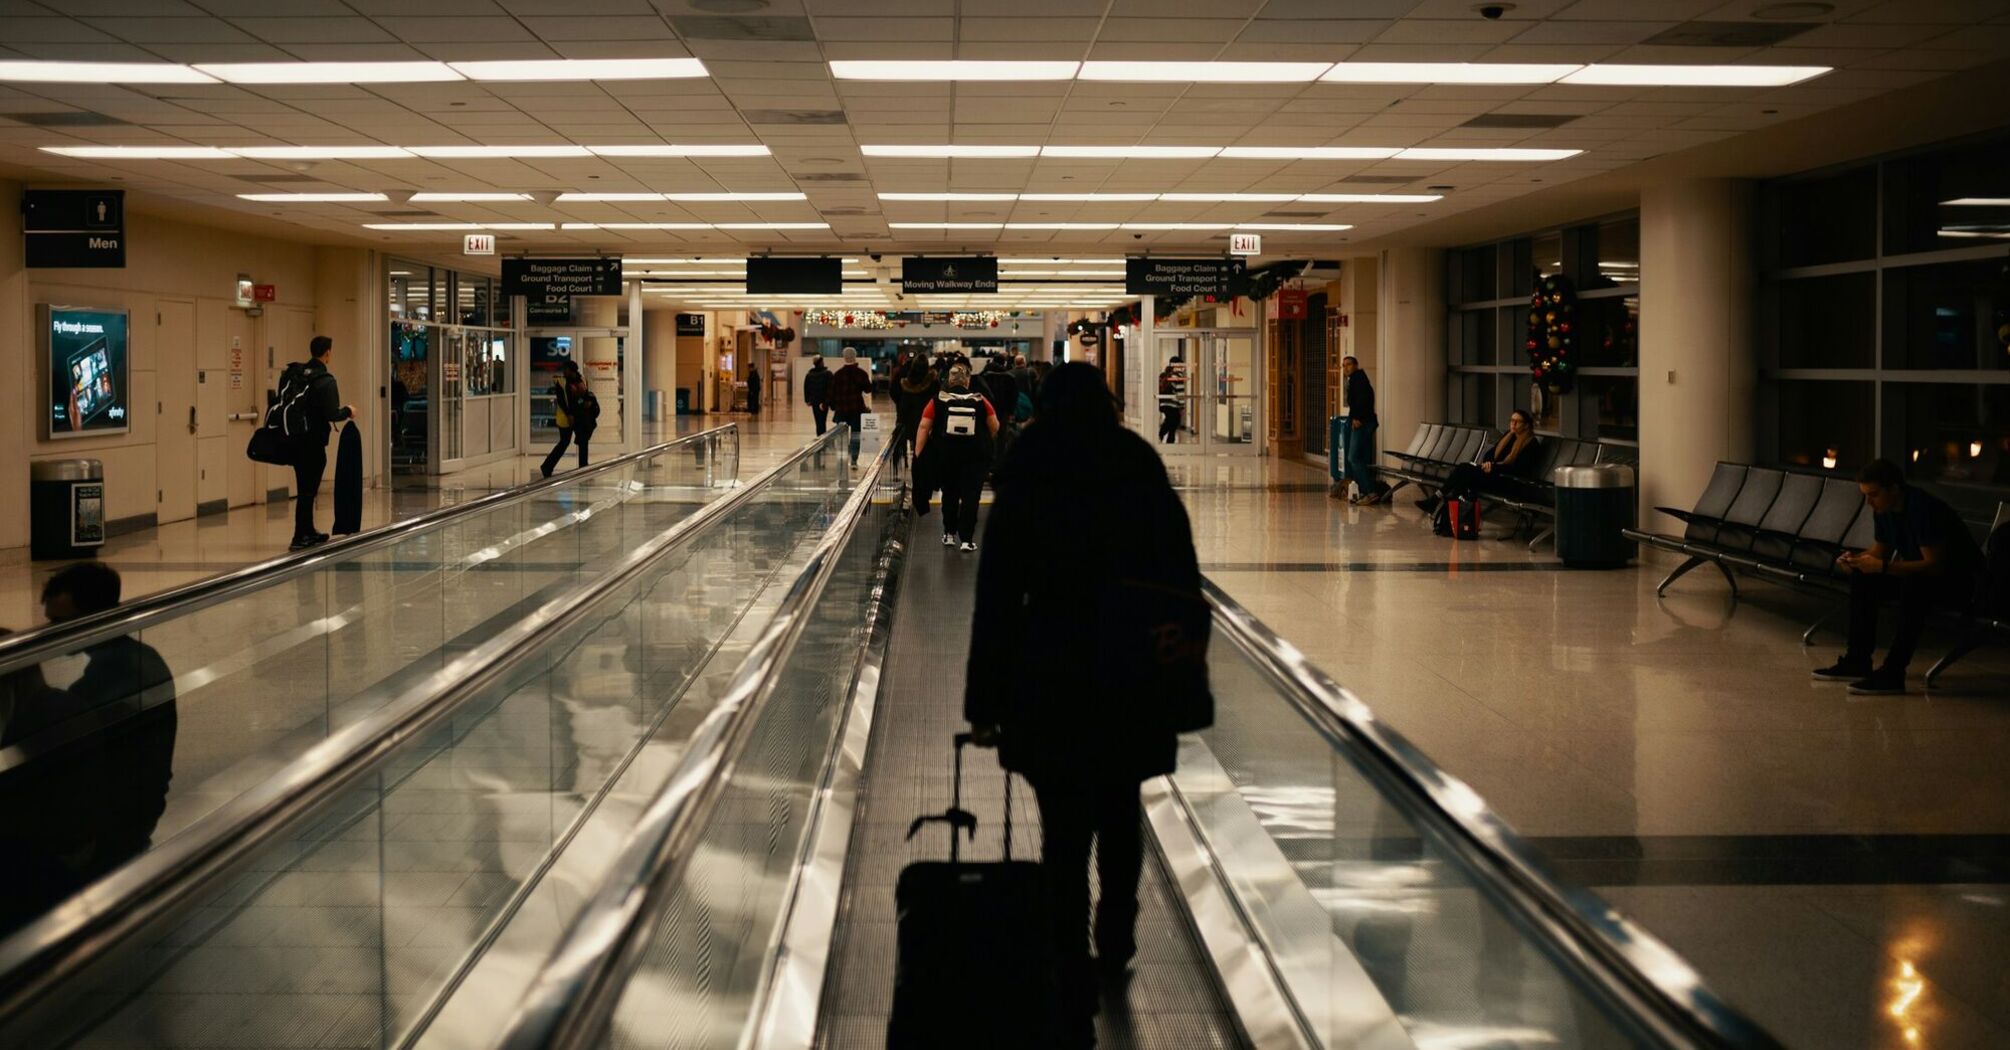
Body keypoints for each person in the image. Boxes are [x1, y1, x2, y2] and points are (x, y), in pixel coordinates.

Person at [966, 363, 1204, 1043]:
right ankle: (1117, 936)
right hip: (1131, 668)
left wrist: (985, 699)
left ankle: (1068, 962)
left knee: (1063, 829)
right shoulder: (1136, 463)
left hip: (1051, 670)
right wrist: (1182, 670)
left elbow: (997, 596)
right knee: (1121, 807)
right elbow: (1180, 571)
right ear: (1106, 403)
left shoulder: (1029, 468)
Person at [0, 563, 178, 936]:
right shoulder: (137, 661)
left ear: (94, 617)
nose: (53, 634)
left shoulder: (99, 691)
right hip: (129, 815)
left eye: (62, 623)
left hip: (108, 833)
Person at [1814, 459, 1982, 695]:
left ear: (1894, 489)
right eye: (1865, 495)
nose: (1868, 502)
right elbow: (1879, 551)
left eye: (1873, 494)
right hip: (1924, 577)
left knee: (1916, 585)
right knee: (1864, 579)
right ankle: (1857, 660)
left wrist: (1882, 566)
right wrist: (1856, 561)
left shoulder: (1922, 509)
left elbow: (1934, 565)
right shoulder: (1884, 509)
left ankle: (1894, 671)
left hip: (1961, 585)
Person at [279, 336, 354, 551]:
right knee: (308, 491)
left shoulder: (297, 374)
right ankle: (299, 535)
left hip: (295, 440)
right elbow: (332, 413)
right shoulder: (325, 380)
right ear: (327, 353)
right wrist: (348, 411)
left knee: (305, 488)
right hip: (313, 442)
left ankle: (308, 530)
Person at [915, 364, 997, 551]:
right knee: (971, 496)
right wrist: (985, 439)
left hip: (946, 456)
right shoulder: (980, 400)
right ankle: (967, 540)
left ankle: (949, 534)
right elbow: (995, 425)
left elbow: (924, 426)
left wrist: (918, 454)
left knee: (950, 494)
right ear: (968, 380)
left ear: (949, 381)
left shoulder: (938, 400)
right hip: (974, 458)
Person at [1435, 410, 1543, 510]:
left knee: (1464, 471)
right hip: (1495, 476)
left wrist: (1493, 467)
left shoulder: (1531, 445)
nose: (1513, 424)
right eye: (1511, 420)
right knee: (1464, 473)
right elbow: (1489, 454)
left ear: (1526, 425)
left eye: (1517, 421)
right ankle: (1448, 508)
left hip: (1509, 482)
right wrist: (1489, 464)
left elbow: (1518, 470)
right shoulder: (1509, 436)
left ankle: (1441, 503)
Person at [1338, 356, 1388, 505]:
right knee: (1362, 458)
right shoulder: (1357, 379)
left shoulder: (1358, 379)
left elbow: (1363, 400)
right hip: (1366, 422)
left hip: (1362, 423)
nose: (1346, 368)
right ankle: (1365, 491)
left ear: (1356, 365)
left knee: (1353, 457)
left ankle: (1370, 492)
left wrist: (1357, 418)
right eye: (1343, 365)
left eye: (1349, 364)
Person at [541, 360, 596, 478]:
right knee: (564, 442)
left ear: (572, 370)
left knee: (583, 440)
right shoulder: (561, 382)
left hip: (580, 415)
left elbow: (584, 395)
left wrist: (588, 402)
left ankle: (583, 467)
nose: (563, 371)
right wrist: (569, 414)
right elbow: (561, 401)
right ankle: (547, 466)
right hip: (566, 417)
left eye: (565, 369)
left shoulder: (582, 380)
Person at [827, 346, 873, 467]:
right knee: (856, 435)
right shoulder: (861, 373)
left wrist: (832, 406)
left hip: (841, 409)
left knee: (841, 436)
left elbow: (831, 393)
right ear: (855, 356)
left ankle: (842, 460)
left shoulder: (838, 374)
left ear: (844, 357)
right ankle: (854, 460)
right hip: (857, 409)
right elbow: (868, 389)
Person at [893, 354, 939, 465]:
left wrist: (899, 404)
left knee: (911, 440)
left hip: (908, 419)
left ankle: (908, 461)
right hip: (926, 418)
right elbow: (938, 398)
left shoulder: (905, 381)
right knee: (924, 448)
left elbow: (894, 393)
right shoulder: (933, 381)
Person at [1156, 359, 1185, 444]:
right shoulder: (1178, 376)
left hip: (1163, 403)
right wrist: (1182, 406)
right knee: (1173, 422)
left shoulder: (1167, 374)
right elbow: (1180, 393)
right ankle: (1161, 436)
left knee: (1171, 421)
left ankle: (1169, 441)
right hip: (1172, 404)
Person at [803, 356, 832, 435]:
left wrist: (807, 400)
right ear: (821, 363)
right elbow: (831, 388)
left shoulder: (809, 375)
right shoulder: (827, 374)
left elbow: (806, 388)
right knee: (823, 420)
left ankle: (819, 435)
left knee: (818, 421)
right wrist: (830, 401)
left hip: (814, 401)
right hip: (824, 401)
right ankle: (823, 435)